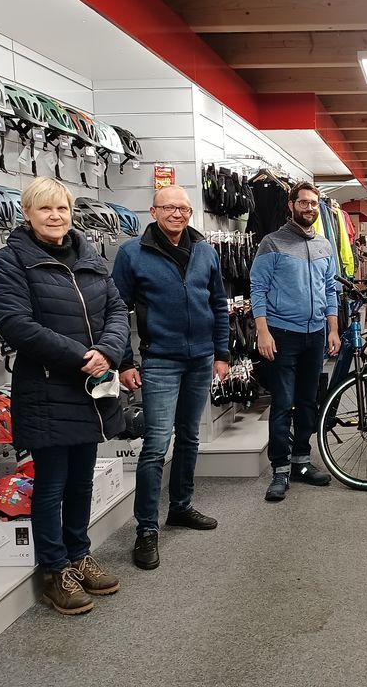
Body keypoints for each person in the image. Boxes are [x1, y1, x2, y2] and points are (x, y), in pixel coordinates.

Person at [0, 177, 128, 615]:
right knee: (51, 484)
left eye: (62, 209)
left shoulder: (90, 257)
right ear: (27, 214)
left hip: (92, 387)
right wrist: (80, 356)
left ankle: (78, 554)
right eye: (46, 209)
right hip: (49, 386)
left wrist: (108, 351)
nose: (56, 217)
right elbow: (15, 323)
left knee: (81, 479)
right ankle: (54, 571)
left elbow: (118, 310)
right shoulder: (12, 260)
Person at [113, 185, 230, 571]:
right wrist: (125, 362)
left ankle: (180, 507)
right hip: (160, 360)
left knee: (191, 437)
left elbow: (218, 303)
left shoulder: (206, 251)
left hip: (201, 359)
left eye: (183, 208)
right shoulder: (133, 253)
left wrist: (223, 351)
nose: (177, 214)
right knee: (156, 444)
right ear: (153, 210)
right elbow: (117, 311)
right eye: (169, 207)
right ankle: (146, 528)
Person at [250, 182, 340, 503]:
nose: (310, 208)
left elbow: (330, 289)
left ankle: (302, 461)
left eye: (314, 203)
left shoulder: (325, 245)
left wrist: (333, 329)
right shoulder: (271, 243)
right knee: (283, 402)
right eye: (303, 203)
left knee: (306, 402)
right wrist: (263, 331)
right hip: (281, 335)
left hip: (315, 335)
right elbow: (257, 289)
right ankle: (280, 470)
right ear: (291, 205)